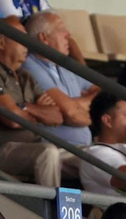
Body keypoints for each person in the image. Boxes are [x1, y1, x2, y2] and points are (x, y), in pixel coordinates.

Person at [0, 26, 71, 188]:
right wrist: (35, 113)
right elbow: (12, 120)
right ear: (1, 42)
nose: (27, 45)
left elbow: (56, 117)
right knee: (48, 153)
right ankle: (53, 213)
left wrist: (23, 107)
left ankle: (99, 211)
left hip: (31, 147)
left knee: (87, 157)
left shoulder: (25, 76)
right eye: (20, 40)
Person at [19, 10, 96, 148]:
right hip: (58, 149)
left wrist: (71, 104)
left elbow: (101, 95)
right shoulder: (30, 65)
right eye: (61, 30)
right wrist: (84, 105)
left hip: (85, 149)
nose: (69, 35)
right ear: (44, 38)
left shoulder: (65, 64)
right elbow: (73, 115)